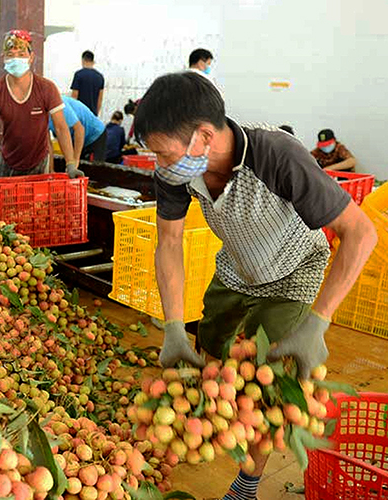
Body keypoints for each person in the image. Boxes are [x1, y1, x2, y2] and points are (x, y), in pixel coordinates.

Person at [134, 71, 376, 500]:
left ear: (203, 136)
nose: (160, 164)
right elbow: (169, 243)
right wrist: (173, 326)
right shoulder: (177, 173)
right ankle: (212, 427)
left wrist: (318, 323)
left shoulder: (277, 156)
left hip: (293, 271)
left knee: (266, 382)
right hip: (237, 269)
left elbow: (360, 233)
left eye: (164, 153)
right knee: (209, 359)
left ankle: (247, 483)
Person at [0, 30, 79, 188]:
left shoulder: (46, 88)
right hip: (8, 163)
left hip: (39, 163)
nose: (16, 59)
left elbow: (61, 127)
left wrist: (71, 165)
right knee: (5, 210)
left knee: (37, 210)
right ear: (3, 59)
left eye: (21, 54)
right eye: (10, 54)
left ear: (31, 57)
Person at [49, 96, 106, 162]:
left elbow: (80, 130)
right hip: (74, 137)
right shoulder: (41, 116)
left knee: (92, 168)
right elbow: (48, 145)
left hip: (94, 135)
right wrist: (51, 169)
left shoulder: (61, 107)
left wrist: (76, 159)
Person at [70, 50, 105, 116]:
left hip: (80, 115)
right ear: (93, 61)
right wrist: (95, 115)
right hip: (92, 115)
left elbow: (74, 97)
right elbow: (100, 99)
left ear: (83, 60)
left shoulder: (78, 75)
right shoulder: (100, 77)